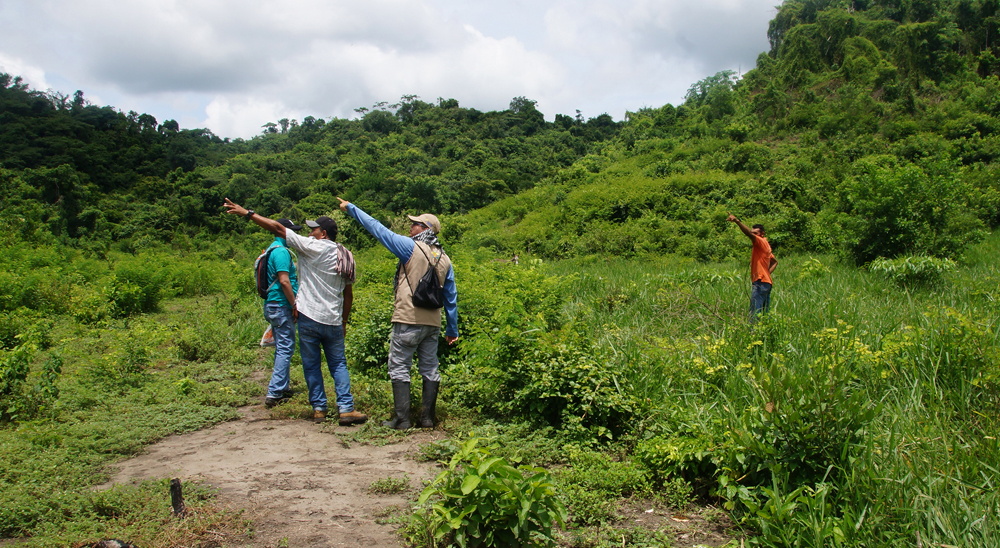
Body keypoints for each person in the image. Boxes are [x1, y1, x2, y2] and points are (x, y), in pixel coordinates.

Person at [224, 199, 368, 426]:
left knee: (311, 364)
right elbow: (348, 295)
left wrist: (247, 213)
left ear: (323, 233)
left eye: (314, 229)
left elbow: (278, 228)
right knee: (338, 364)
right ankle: (346, 408)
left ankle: (319, 408)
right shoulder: (347, 255)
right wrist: (344, 321)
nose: (310, 233)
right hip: (332, 319)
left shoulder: (310, 247)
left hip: (309, 316)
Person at [338, 197, 458, 430]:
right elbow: (450, 297)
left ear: (425, 230)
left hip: (407, 319)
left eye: (415, 224)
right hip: (432, 323)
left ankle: (402, 419)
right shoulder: (445, 259)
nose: (410, 227)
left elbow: (378, 229)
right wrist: (451, 329)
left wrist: (351, 208)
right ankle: (427, 419)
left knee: (399, 366)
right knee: (430, 368)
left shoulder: (409, 247)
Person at [262, 218, 301, 409]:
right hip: (281, 305)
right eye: (291, 231)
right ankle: (275, 392)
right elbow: (284, 281)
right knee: (286, 347)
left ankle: (282, 387)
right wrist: (294, 304)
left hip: (273, 304)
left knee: (282, 347)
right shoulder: (281, 252)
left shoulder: (271, 249)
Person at [727, 214, 778, 323]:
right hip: (766, 282)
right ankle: (764, 335)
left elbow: (748, 234)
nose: (754, 235)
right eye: (753, 232)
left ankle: (752, 335)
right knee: (764, 314)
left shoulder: (760, 241)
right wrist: (767, 274)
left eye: (756, 233)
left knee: (754, 313)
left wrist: (737, 221)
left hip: (760, 282)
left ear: (762, 234)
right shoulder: (766, 246)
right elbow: (774, 262)